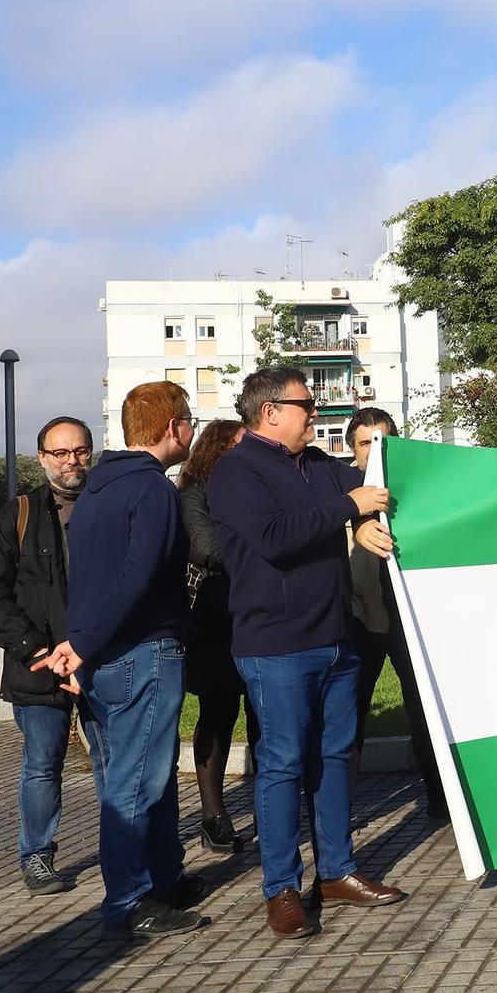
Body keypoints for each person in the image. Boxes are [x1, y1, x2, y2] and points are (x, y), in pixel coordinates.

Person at [205, 367, 407, 939]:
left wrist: (363, 516)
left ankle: (338, 872)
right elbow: (275, 537)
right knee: (283, 765)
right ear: (270, 411)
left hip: (337, 637)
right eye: (306, 405)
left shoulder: (317, 465)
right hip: (277, 646)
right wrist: (350, 508)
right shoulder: (236, 471)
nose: (315, 414)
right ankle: (283, 889)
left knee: (337, 757)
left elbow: (381, 481)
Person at [39, 382, 205, 940]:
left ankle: (162, 881)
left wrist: (79, 645)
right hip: (142, 650)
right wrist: (82, 644)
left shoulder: (96, 490)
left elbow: (87, 581)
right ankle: (130, 901)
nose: (192, 431)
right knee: (136, 784)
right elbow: (137, 577)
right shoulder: (152, 491)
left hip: (102, 658)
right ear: (170, 427)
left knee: (130, 777)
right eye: (190, 420)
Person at [0, 415, 105, 897]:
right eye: (61, 453)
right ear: (42, 457)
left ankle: (122, 848)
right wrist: (34, 648)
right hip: (39, 665)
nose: (72, 462)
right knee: (43, 764)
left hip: (98, 662)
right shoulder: (16, 516)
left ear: (93, 451)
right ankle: (37, 856)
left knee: (110, 761)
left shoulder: (108, 507)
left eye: (81, 451)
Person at [343, 408, 449, 821]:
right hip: (356, 617)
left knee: (423, 708)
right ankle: (339, 808)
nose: (375, 450)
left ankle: (441, 798)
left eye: (382, 441)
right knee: (348, 714)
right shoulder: (338, 490)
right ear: (352, 449)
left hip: (408, 619)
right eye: (366, 442)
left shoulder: (416, 489)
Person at [179, 418, 257, 856]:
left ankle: (271, 807)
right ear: (217, 450)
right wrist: (265, 548)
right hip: (214, 617)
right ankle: (213, 815)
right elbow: (204, 548)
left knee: (267, 716)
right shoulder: (194, 493)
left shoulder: (254, 489)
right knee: (219, 712)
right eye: (239, 446)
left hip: (257, 612)